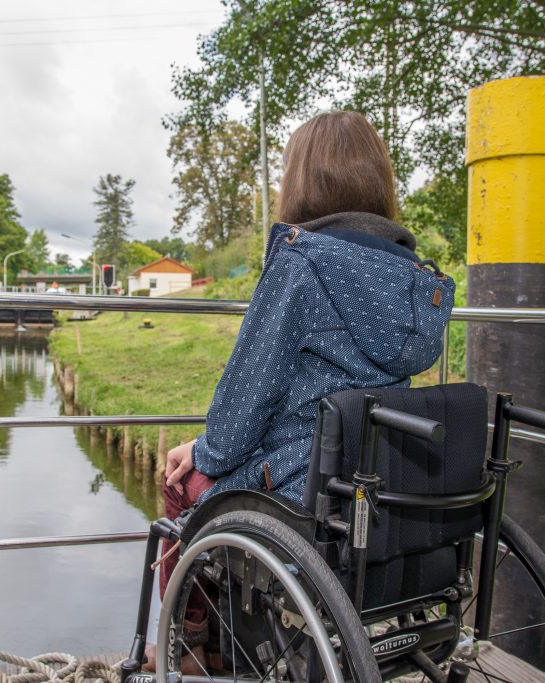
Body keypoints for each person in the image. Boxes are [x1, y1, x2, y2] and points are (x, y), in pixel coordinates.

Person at [148, 110, 455, 674]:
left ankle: (192, 647)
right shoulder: (420, 282)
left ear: (302, 180)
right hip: (379, 487)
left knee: (178, 484)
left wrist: (205, 451)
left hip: (301, 487)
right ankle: (227, 641)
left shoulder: (301, 263)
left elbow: (247, 397)